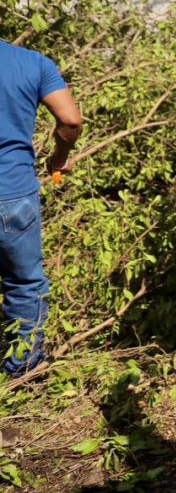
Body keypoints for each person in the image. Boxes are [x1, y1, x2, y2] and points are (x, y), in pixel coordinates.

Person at [0, 41, 81, 376]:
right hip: (13, 194)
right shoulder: (33, 63)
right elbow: (71, 120)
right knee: (24, 283)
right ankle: (23, 371)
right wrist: (58, 159)